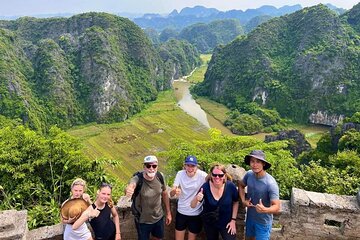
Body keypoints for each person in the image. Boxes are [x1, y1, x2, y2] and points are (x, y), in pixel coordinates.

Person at [125, 155, 172, 240]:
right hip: (142, 220)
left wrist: (168, 212)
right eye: (148, 166)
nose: (151, 168)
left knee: (158, 238)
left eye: (154, 166)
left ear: (157, 166)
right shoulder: (138, 179)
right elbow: (131, 185)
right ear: (144, 167)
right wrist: (129, 189)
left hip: (158, 217)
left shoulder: (160, 176)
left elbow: (165, 193)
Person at [238, 150, 280, 240]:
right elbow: (241, 185)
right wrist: (243, 201)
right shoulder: (249, 174)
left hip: (263, 222)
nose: (254, 164)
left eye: (258, 162)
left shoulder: (270, 183)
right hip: (250, 218)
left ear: (263, 164)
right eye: (252, 161)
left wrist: (265, 209)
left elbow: (276, 206)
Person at [191, 163, 239, 240]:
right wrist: (197, 198)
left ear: (225, 176)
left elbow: (236, 202)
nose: (217, 177)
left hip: (227, 223)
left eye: (220, 175)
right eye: (214, 175)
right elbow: (192, 205)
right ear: (211, 175)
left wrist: (233, 220)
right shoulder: (205, 187)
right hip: (210, 223)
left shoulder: (230, 186)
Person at [169, 155, 207, 240]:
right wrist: (175, 191)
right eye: (188, 165)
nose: (190, 168)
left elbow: (214, 179)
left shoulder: (202, 175)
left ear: (196, 167)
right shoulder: (180, 174)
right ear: (184, 166)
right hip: (181, 212)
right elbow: (171, 194)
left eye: (193, 166)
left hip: (195, 213)